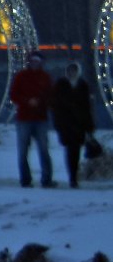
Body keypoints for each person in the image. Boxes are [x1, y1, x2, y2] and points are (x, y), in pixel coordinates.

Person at [9, 51, 56, 189]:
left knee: (44, 149)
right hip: (24, 118)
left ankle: (46, 179)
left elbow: (50, 96)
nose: (35, 63)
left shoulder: (45, 77)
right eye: (33, 61)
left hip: (40, 118)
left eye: (38, 61)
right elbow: (14, 95)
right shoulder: (21, 77)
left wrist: (40, 102)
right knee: (23, 150)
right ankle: (25, 179)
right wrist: (27, 101)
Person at [51, 63, 97, 189]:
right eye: (70, 71)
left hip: (79, 123)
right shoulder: (61, 85)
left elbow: (87, 106)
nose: (72, 73)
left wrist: (89, 126)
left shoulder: (83, 85)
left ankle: (73, 177)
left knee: (75, 151)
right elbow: (56, 105)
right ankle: (72, 177)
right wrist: (58, 123)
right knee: (71, 151)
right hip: (66, 124)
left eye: (74, 71)